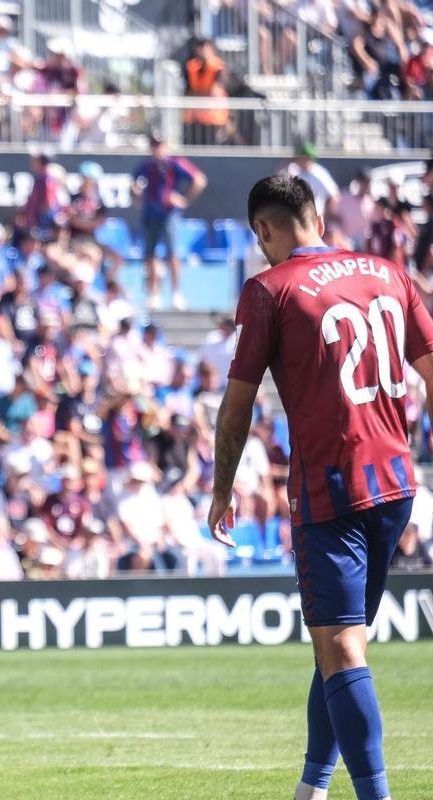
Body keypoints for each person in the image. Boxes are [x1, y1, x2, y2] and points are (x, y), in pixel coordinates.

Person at [209, 174, 433, 800]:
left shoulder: (268, 289)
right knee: (338, 643)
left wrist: (221, 488)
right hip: (396, 482)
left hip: (331, 488)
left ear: (264, 229)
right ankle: (312, 788)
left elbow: (236, 410)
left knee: (341, 652)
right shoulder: (388, 272)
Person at [132, 135, 207, 311]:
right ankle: (153, 293)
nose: (157, 149)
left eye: (159, 145)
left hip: (168, 215)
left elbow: (199, 179)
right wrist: (136, 194)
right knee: (150, 255)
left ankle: (176, 292)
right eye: (154, 145)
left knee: (172, 253)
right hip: (150, 215)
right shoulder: (146, 166)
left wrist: (184, 199)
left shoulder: (174, 163)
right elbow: (135, 187)